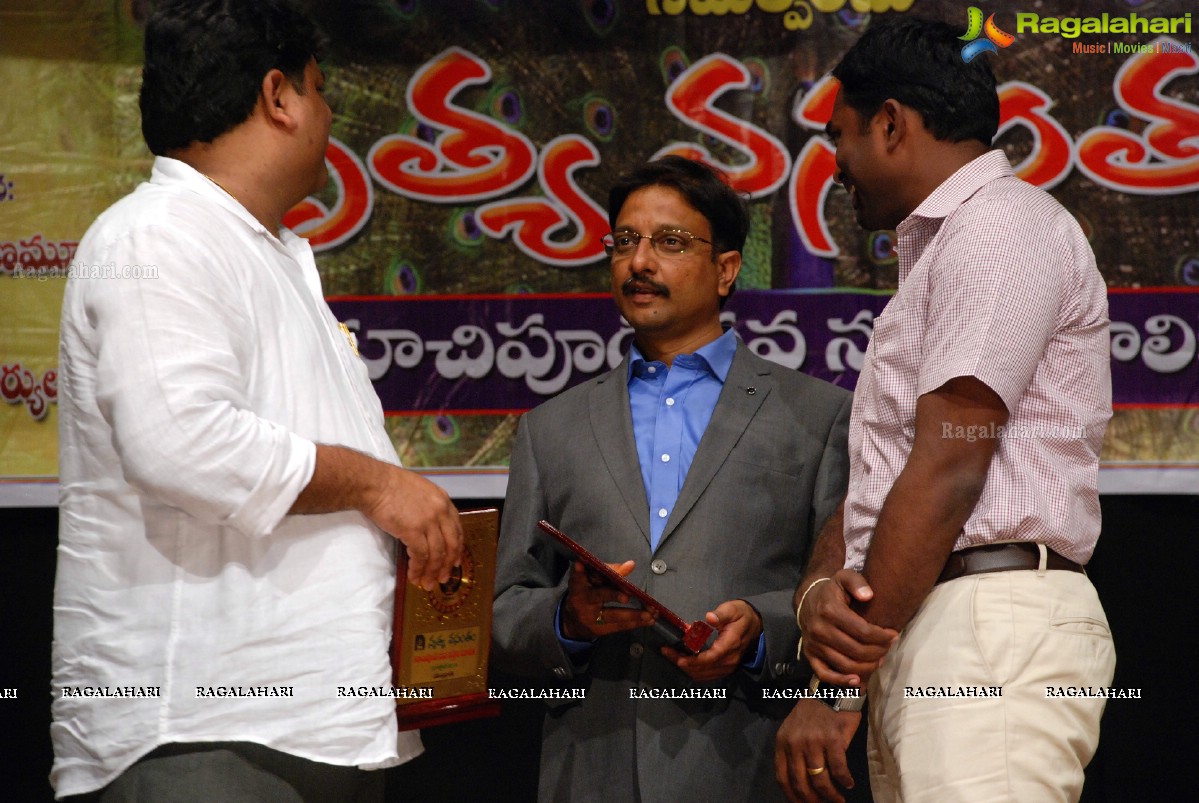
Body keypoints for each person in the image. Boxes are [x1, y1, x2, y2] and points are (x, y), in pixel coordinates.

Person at [51, 2, 463, 799]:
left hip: (304, 728)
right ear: (278, 97)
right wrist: (383, 486)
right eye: (320, 89)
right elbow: (182, 443)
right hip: (206, 732)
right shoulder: (157, 236)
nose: (331, 114)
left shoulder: (253, 249)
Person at [774, 17, 1115, 803]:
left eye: (840, 136)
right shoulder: (947, 250)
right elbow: (886, 477)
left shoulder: (997, 228)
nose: (834, 166)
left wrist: (833, 689)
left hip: (986, 628)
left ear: (890, 123)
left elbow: (948, 467)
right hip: (935, 627)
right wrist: (817, 594)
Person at [491, 155, 853, 803]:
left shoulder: (818, 416)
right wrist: (566, 619)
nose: (639, 262)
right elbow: (501, 611)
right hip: (589, 771)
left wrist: (760, 626)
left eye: (669, 242)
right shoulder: (550, 428)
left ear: (726, 269)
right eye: (624, 241)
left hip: (749, 766)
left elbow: (845, 591)